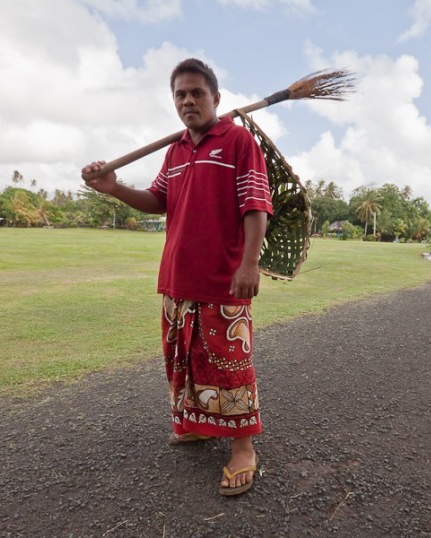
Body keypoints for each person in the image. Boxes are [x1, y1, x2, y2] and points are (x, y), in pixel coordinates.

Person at [81, 58, 273, 496]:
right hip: (176, 279)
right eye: (180, 95)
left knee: (230, 367)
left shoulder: (239, 142)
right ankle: (199, 424)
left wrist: (249, 263)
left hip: (222, 280)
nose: (188, 100)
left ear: (216, 99)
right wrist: (112, 187)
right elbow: (156, 200)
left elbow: (255, 204)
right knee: (183, 362)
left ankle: (242, 448)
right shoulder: (176, 151)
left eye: (197, 93)